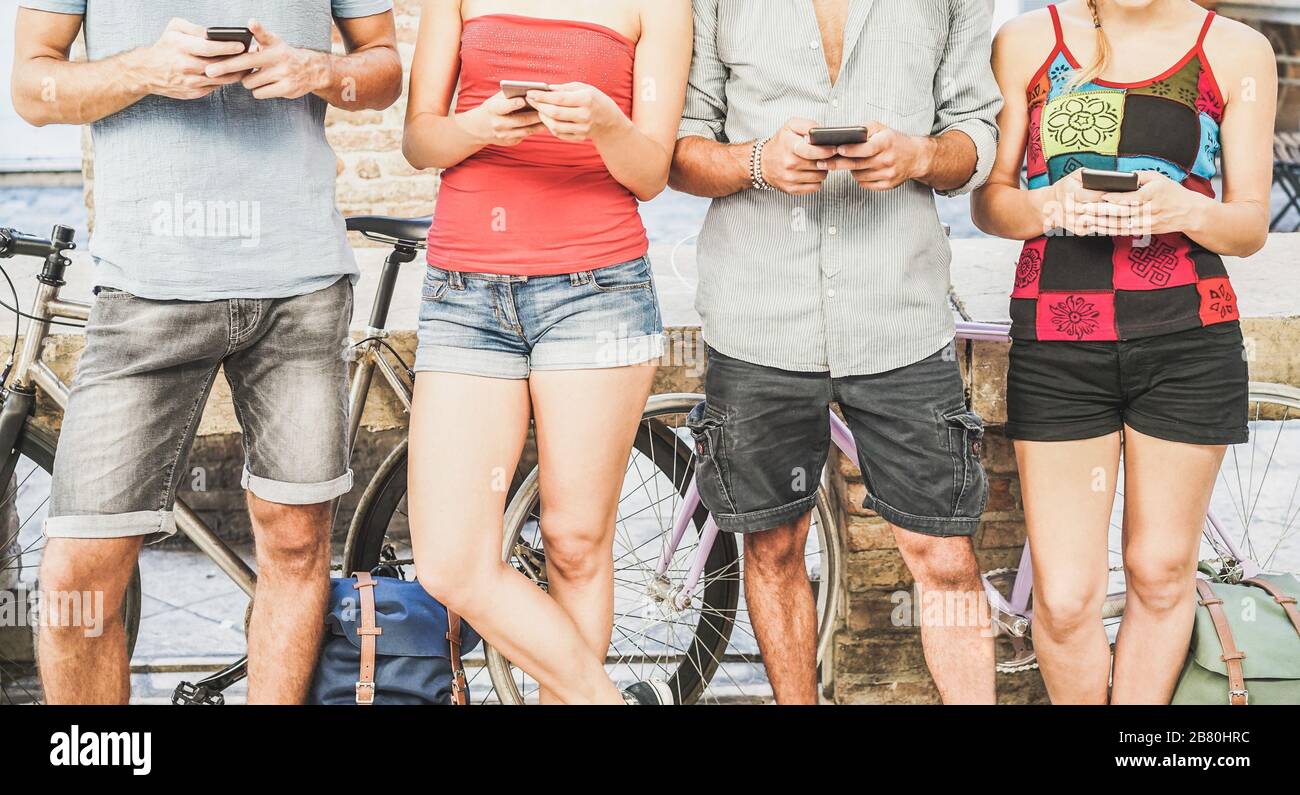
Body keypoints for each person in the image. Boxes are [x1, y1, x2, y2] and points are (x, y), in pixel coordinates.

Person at [12, 1, 402, 704]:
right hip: (145, 291)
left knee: (295, 544)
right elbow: (32, 89)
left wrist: (314, 69)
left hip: (301, 286)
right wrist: (144, 70)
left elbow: (382, 71)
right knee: (78, 575)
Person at [671, 0, 1004, 704]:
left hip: (901, 314)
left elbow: (976, 134)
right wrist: (757, 161)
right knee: (773, 544)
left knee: (944, 554)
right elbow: (680, 149)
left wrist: (920, 154)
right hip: (758, 313)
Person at [971, 0, 1276, 703]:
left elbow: (1249, 222)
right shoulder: (1027, 40)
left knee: (1161, 569)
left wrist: (1187, 210)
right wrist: (1051, 207)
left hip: (1187, 341)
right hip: (1058, 343)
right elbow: (991, 202)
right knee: (1067, 595)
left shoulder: (1234, 49)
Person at [401, 0, 691, 705]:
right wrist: (473, 129)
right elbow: (419, 139)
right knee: (450, 560)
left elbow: (650, 171)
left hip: (597, 289)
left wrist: (605, 124)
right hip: (466, 291)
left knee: (574, 541)